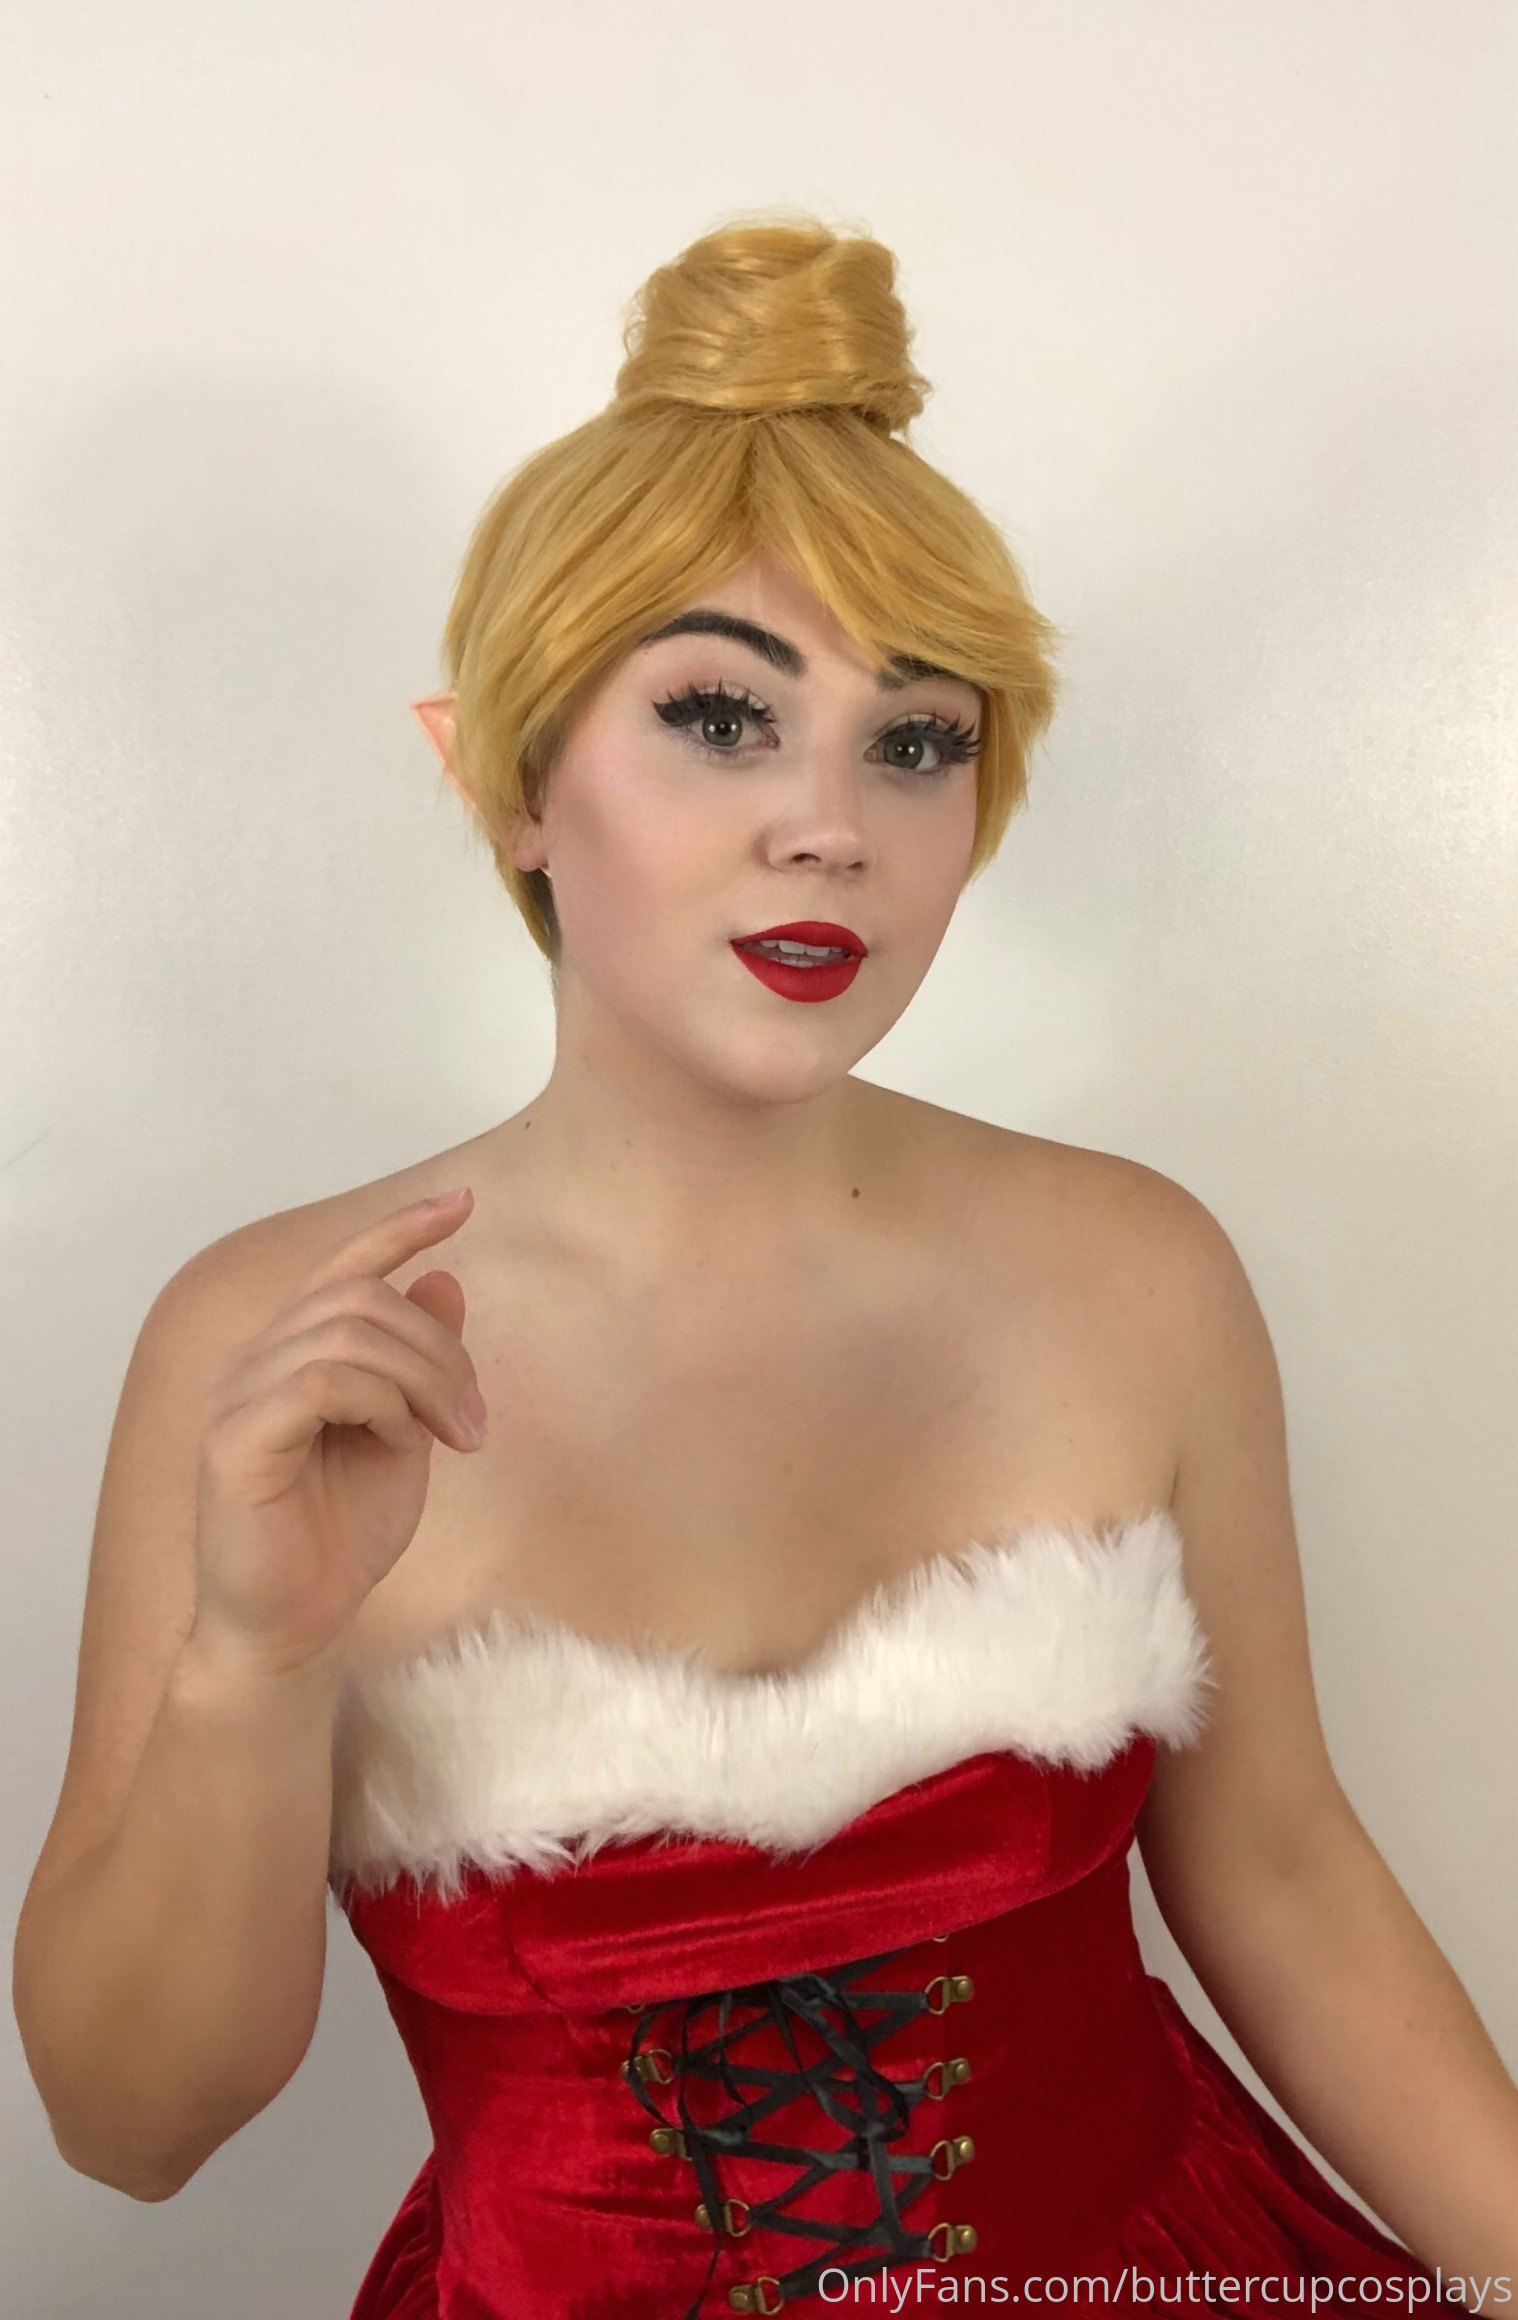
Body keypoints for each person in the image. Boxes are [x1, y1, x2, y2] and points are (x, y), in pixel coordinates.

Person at [14, 214, 1517, 2318]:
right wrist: (250, 1669)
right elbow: (130, 2124)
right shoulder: (273, 1342)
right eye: (722, 715)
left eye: (916, 740)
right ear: (509, 778)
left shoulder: (1136, 1271)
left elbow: (1279, 1876)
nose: (832, 824)